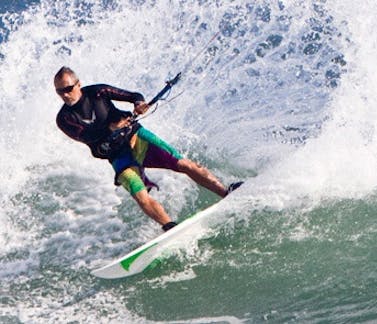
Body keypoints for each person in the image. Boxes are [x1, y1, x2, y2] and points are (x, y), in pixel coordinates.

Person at [54, 66, 242, 232]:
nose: (64, 95)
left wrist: (139, 105)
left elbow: (133, 96)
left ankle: (226, 192)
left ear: (78, 84)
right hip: (117, 156)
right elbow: (88, 137)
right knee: (140, 194)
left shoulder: (98, 92)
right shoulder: (64, 119)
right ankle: (169, 227)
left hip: (137, 138)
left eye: (68, 89)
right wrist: (111, 127)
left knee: (184, 164)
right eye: (59, 91)